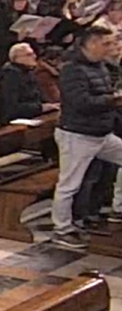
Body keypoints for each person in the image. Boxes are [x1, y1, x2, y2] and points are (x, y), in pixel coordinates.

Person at [49, 26, 122, 251]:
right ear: (91, 44)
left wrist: (112, 99)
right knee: (69, 185)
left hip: (101, 134)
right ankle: (61, 230)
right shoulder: (72, 69)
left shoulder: (99, 66)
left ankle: (119, 207)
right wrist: (113, 100)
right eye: (106, 44)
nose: (110, 48)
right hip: (77, 135)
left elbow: (104, 94)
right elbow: (80, 102)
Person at [0, 43, 53, 127]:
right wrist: (41, 108)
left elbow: (38, 96)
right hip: (9, 121)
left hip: (31, 115)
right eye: (29, 54)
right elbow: (11, 107)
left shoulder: (28, 72)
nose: (34, 56)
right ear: (17, 58)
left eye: (33, 53)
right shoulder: (10, 75)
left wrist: (48, 106)